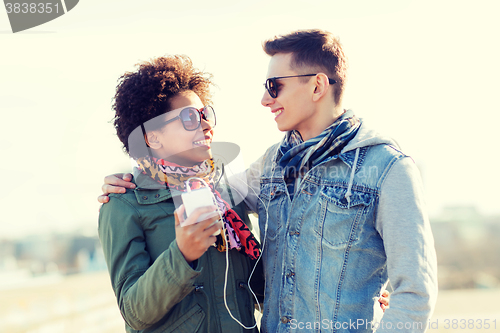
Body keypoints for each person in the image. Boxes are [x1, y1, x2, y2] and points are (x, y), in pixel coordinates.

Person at [99, 29, 427, 332]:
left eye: (275, 86)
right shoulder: (267, 168)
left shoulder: (388, 169)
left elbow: (414, 293)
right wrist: (132, 180)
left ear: (317, 86)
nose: (265, 100)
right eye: (190, 118)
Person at [98, 55, 263, 333]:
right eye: (189, 117)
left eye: (205, 114)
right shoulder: (124, 204)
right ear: (153, 137)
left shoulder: (228, 193)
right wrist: (183, 254)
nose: (206, 125)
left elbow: (260, 290)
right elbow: (133, 313)